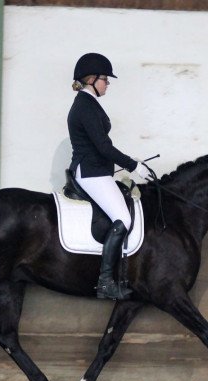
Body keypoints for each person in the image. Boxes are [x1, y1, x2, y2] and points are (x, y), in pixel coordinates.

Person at [67, 52, 152, 300]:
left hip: (96, 170)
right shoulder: (85, 106)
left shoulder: (89, 104)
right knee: (123, 219)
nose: (108, 83)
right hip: (90, 173)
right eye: (105, 79)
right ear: (91, 79)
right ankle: (105, 282)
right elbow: (104, 147)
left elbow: (101, 147)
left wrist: (128, 162)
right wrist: (132, 165)